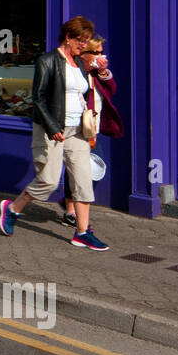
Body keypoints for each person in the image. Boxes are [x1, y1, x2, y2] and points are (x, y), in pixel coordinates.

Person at [0, 15, 110, 251]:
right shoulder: (47, 61)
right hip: (52, 130)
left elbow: (96, 88)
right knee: (48, 181)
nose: (84, 45)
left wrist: (102, 71)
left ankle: (82, 232)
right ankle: (13, 208)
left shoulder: (80, 63)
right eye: (80, 40)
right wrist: (52, 127)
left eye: (87, 40)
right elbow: (37, 99)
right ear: (68, 37)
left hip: (78, 131)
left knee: (82, 180)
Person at [60, 35, 125, 228]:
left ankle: (71, 206)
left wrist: (103, 71)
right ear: (83, 54)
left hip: (92, 130)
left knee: (92, 169)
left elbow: (111, 90)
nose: (100, 55)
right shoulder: (75, 73)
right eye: (96, 52)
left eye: (101, 52)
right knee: (79, 170)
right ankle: (74, 214)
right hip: (75, 129)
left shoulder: (97, 74)